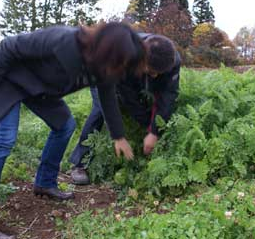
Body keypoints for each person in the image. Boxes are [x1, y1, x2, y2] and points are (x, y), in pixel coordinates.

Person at [0, 22, 146, 239]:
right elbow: (9, 46)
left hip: (38, 91)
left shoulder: (103, 67)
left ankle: (45, 183)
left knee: (65, 126)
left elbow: (107, 97)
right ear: (106, 49)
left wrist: (118, 136)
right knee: (3, 139)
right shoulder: (63, 39)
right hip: (8, 81)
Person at [69, 33, 181, 185]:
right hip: (103, 69)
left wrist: (154, 131)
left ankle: (145, 140)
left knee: (152, 102)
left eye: (159, 73)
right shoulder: (124, 56)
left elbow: (168, 97)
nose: (155, 76)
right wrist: (142, 125)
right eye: (152, 71)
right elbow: (129, 98)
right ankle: (80, 163)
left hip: (136, 71)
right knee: (101, 109)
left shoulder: (171, 59)